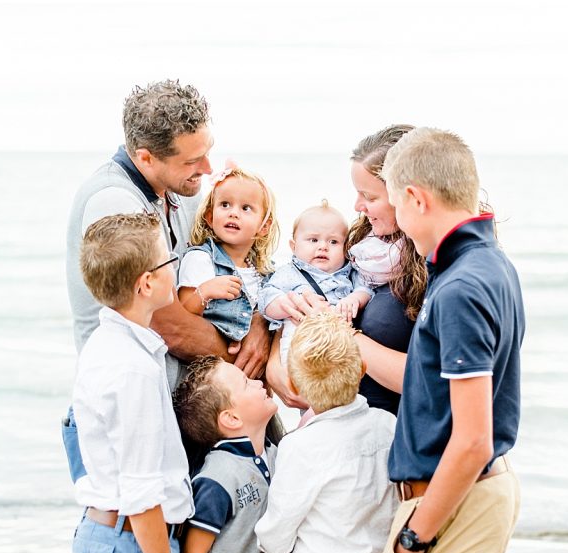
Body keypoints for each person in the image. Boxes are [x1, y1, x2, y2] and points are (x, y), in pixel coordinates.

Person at [62, 82, 271, 553]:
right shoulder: (116, 205)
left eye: (209, 152)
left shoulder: (164, 187)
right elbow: (169, 320)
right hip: (132, 411)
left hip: (144, 410)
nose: (205, 169)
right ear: (146, 156)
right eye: (192, 161)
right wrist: (235, 351)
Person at [377, 127, 524, 553]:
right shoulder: (492, 265)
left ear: (417, 198)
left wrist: (417, 535)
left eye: (396, 205)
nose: (397, 221)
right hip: (483, 494)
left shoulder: (462, 286)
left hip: (455, 500)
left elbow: (471, 439)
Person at [70, 212, 193, 553]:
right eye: (170, 259)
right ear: (147, 284)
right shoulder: (132, 370)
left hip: (111, 538)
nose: (175, 265)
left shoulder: (112, 344)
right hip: (131, 546)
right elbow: (142, 494)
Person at [255, 312, 397, 553]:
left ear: (295, 388)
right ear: (362, 368)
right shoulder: (387, 426)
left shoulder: (301, 447)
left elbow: (277, 534)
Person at [266, 125, 427, 419]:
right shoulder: (364, 244)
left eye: (369, 196)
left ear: (406, 193)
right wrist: (274, 361)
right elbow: (300, 286)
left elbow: (431, 379)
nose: (357, 206)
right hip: (338, 419)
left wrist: (344, 336)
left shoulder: (432, 262)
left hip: (386, 431)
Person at [171, 355, 281, 553]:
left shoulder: (273, 457)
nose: (259, 382)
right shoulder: (217, 478)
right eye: (246, 383)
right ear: (231, 418)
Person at [258, 200, 373, 365]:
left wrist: (354, 299)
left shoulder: (350, 273)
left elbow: (366, 289)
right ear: (294, 246)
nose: (323, 247)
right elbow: (266, 298)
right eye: (313, 240)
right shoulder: (289, 272)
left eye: (333, 242)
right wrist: (288, 305)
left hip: (339, 344)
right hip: (299, 337)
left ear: (346, 249)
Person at [177, 167, 279, 346]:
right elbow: (182, 315)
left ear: (264, 226)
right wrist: (205, 291)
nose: (233, 213)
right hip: (210, 362)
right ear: (210, 216)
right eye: (225, 204)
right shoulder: (201, 259)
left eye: (246, 208)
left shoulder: (265, 271)